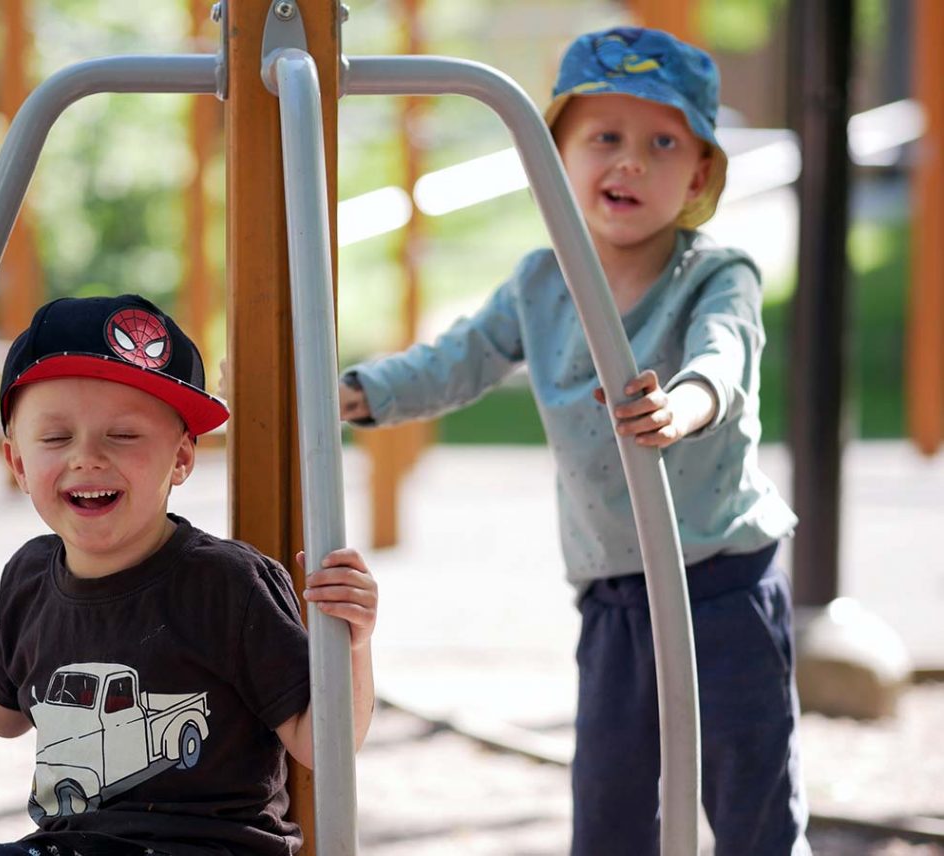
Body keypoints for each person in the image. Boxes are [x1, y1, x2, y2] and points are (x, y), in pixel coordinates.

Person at [338, 26, 808, 856]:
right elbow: (461, 360)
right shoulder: (540, 283)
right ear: (553, 159)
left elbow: (723, 352)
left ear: (698, 173)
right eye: (605, 139)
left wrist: (687, 406)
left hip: (723, 583)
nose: (629, 161)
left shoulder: (714, 272)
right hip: (616, 595)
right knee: (611, 806)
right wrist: (359, 393)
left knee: (751, 799)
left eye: (662, 142)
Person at [0, 294, 378, 856]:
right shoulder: (31, 576)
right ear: (17, 463)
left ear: (181, 458)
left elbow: (322, 743)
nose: (87, 457)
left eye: (124, 436)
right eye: (57, 438)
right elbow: (4, 711)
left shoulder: (227, 585)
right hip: (68, 843)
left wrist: (351, 646)